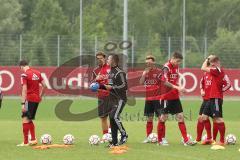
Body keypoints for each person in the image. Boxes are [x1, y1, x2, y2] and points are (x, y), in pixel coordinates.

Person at [158, 52, 196, 146]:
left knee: (180, 117)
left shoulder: (176, 67)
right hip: (166, 96)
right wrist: (178, 88)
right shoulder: (166, 67)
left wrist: (179, 90)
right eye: (177, 61)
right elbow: (164, 81)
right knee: (163, 118)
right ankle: (160, 140)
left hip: (174, 96)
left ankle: (186, 140)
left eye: (180, 62)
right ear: (173, 58)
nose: (178, 63)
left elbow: (174, 81)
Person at [201, 55, 230, 145]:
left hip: (216, 98)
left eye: (212, 63)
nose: (211, 65)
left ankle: (222, 140)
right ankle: (209, 138)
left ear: (216, 62)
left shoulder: (217, 70)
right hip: (211, 98)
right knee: (204, 117)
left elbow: (203, 68)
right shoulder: (217, 70)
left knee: (218, 119)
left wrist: (207, 59)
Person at [139, 55, 168, 145]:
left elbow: (164, 83)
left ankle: (162, 138)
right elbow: (140, 82)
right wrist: (144, 74)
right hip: (148, 99)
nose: (148, 64)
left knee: (161, 118)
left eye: (150, 62)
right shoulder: (146, 72)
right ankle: (148, 136)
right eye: (147, 63)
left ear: (153, 62)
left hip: (158, 99)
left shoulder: (159, 72)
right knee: (149, 119)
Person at [17, 60, 46, 146]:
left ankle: (25, 142)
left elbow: (24, 89)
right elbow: (45, 85)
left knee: (25, 119)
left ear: (21, 66)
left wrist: (23, 103)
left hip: (28, 99)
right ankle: (33, 139)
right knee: (29, 118)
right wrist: (40, 96)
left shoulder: (24, 75)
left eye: (20, 68)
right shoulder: (37, 73)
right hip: (36, 99)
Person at [104, 54, 128, 147]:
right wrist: (101, 86)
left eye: (108, 59)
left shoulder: (120, 72)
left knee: (115, 117)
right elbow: (110, 87)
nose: (107, 60)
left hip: (120, 99)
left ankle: (124, 134)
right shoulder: (111, 72)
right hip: (112, 100)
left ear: (113, 61)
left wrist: (112, 87)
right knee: (111, 118)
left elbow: (124, 86)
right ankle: (114, 142)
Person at [92, 51, 111, 135]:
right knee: (103, 117)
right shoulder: (95, 71)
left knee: (113, 117)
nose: (99, 60)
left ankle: (111, 134)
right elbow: (92, 86)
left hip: (112, 96)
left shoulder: (110, 68)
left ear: (104, 58)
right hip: (101, 96)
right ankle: (105, 136)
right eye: (98, 59)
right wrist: (96, 79)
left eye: (101, 58)